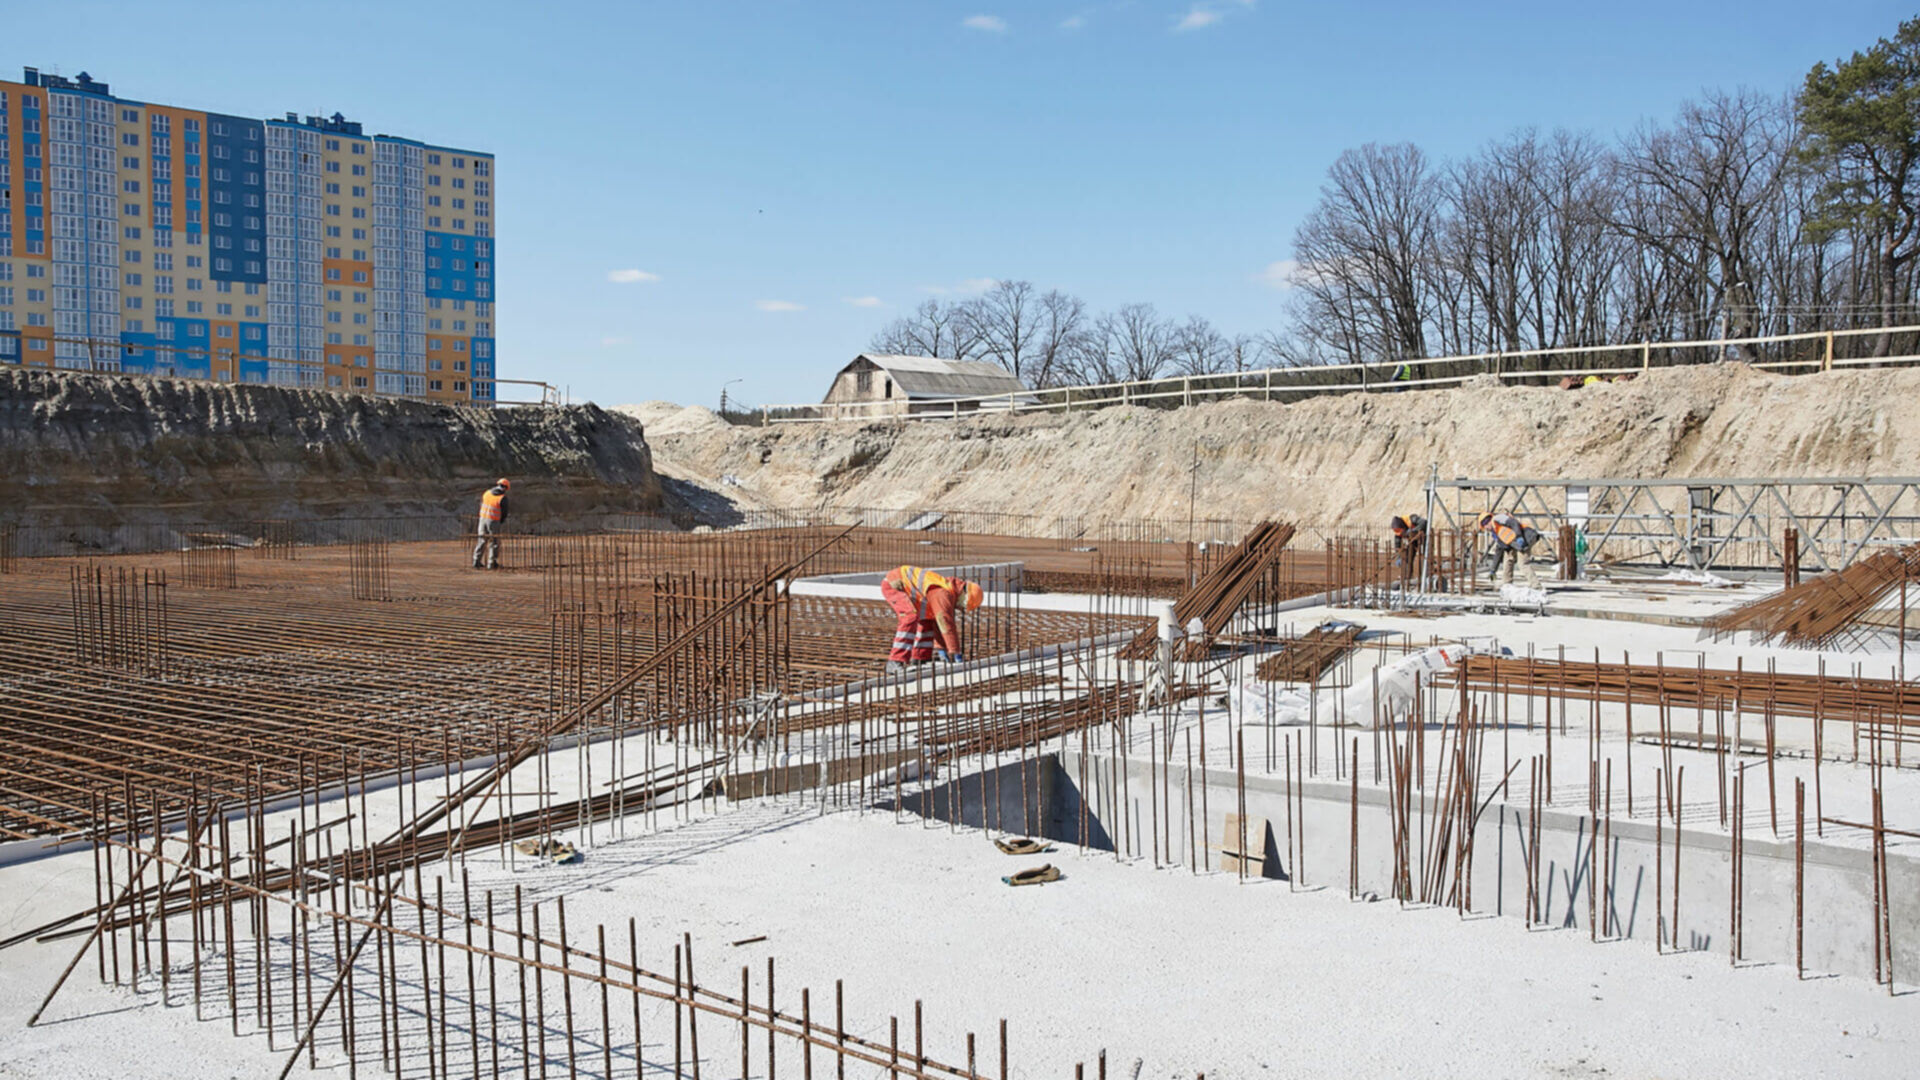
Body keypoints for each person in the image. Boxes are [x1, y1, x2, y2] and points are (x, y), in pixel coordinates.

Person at [880, 565, 984, 675]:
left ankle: (920, 658)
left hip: (907, 588)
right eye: (962, 606)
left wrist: (942, 649)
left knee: (927, 620)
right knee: (909, 617)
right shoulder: (943, 593)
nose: (959, 607)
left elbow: (938, 624)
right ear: (964, 596)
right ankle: (895, 660)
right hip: (894, 585)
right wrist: (955, 652)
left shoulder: (948, 590)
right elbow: (945, 623)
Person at [1478, 510, 1541, 587]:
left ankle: (1536, 585)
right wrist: (1493, 570)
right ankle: (1507, 582)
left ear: (1486, 522)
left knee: (1523, 564)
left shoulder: (1497, 519)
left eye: (1485, 527)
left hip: (1526, 537)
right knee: (1508, 558)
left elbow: (1513, 522)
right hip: (1517, 544)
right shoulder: (1496, 533)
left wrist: (1519, 536)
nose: (1486, 529)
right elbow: (1498, 551)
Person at [472, 478, 510, 570]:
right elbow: (504, 512)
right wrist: (501, 521)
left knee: (481, 540)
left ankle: (476, 561)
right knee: (494, 542)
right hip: (493, 520)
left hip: (482, 519)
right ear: (505, 488)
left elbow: (482, 504)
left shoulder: (487, 493)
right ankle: (491, 563)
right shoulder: (502, 498)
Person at [1390, 512, 1427, 578]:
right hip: (1413, 540)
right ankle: (1407, 577)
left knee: (1425, 557)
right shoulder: (1398, 532)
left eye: (1400, 531)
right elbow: (1397, 546)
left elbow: (1424, 522)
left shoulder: (1412, 519)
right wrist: (1398, 557)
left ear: (1402, 526)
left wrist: (1413, 530)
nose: (1400, 534)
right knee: (1407, 557)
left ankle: (1426, 576)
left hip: (1424, 537)